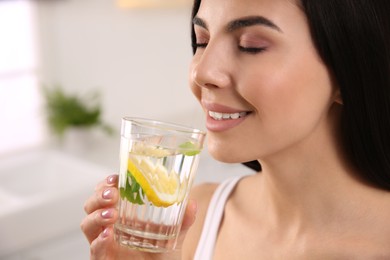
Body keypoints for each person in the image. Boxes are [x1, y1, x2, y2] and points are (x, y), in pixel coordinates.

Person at [81, 0, 390, 258]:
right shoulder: (189, 225)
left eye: (250, 46)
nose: (202, 72)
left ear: (350, 69)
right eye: (202, 41)